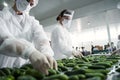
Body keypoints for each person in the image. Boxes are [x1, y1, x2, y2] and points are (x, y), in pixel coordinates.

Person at [0, 0, 57, 75]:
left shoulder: (32, 21)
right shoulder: (2, 16)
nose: (28, 4)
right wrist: (29, 51)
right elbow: (3, 40)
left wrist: (46, 52)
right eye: (27, 0)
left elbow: (42, 39)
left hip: (25, 70)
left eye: (32, 3)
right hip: (4, 69)